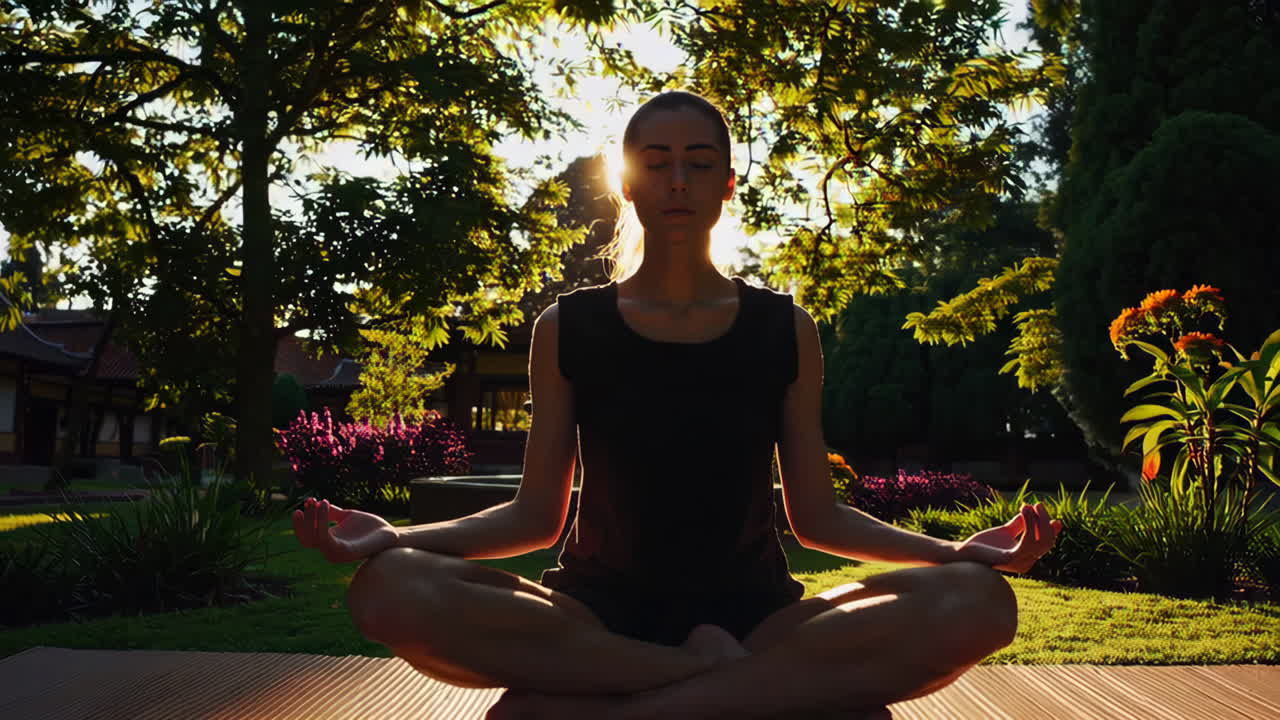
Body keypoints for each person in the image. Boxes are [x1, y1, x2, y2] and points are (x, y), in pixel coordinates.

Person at [293, 90, 1064, 720]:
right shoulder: (566, 329)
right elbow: (534, 518)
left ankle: (632, 705)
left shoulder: (784, 328)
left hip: (760, 615)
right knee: (388, 588)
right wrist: (396, 537)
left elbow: (817, 521)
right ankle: (727, 687)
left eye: (700, 165)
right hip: (593, 616)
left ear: (729, 185)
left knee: (981, 603)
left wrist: (957, 555)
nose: (678, 182)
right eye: (656, 164)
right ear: (627, 184)